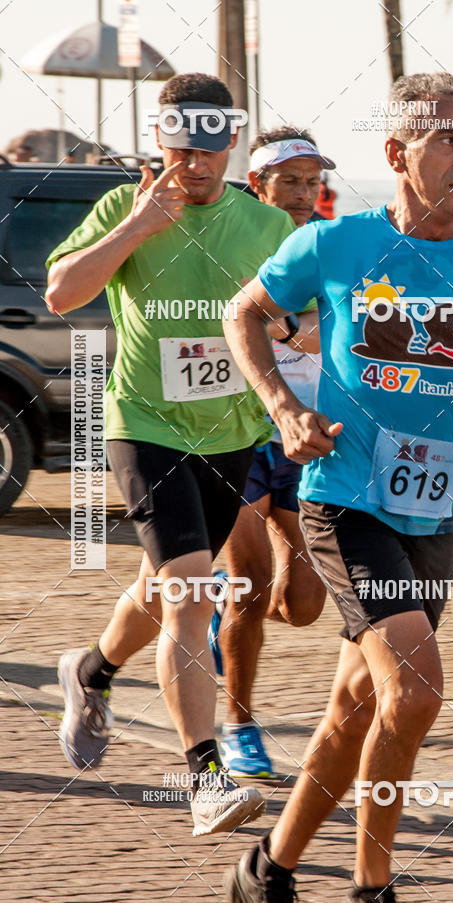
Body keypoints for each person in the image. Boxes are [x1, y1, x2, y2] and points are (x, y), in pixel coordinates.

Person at [222, 72, 453, 901]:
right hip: (346, 498)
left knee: (357, 709)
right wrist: (281, 405)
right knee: (414, 690)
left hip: (438, 512)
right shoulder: (333, 245)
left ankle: (267, 866)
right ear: (397, 152)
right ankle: (371, 887)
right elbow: (243, 312)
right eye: (448, 140)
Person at [44, 72, 296, 836]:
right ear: (159, 138)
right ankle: (205, 777)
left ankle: (91, 671)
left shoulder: (266, 226)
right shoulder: (124, 206)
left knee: (164, 586)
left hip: (230, 433)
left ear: (232, 143)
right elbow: (59, 292)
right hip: (143, 425)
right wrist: (135, 231)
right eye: (182, 144)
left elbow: (309, 320)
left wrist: (281, 332)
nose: (196, 161)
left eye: (213, 144)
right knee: (193, 593)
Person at [215, 128, 335, 778]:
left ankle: (219, 609)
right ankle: (238, 723)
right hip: (239, 430)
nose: (302, 193)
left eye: (312, 181)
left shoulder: (330, 248)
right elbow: (227, 320)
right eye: (289, 180)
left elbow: (336, 330)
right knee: (251, 587)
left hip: (308, 437)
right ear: (257, 184)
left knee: (303, 604)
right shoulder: (232, 240)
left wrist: (298, 328)